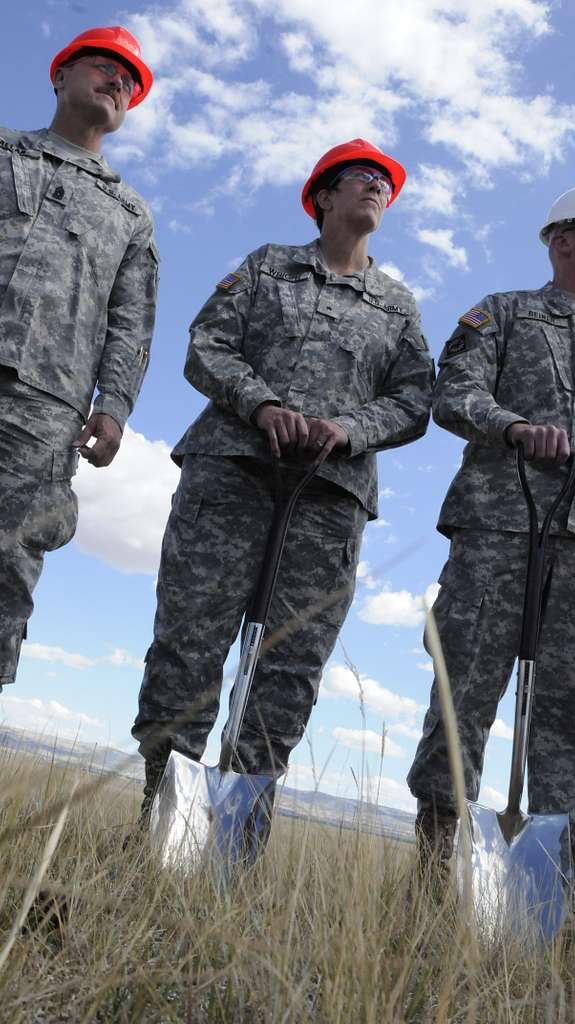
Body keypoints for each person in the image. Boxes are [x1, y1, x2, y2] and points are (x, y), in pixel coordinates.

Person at [131, 139, 434, 827]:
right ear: (322, 196)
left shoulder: (395, 306)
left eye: (385, 183)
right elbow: (207, 344)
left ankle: (236, 832)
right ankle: (162, 818)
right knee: (190, 640)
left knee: (290, 663)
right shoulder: (269, 266)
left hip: (328, 499)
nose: (377, 188)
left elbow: (417, 397)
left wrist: (349, 428)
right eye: (362, 178)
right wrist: (261, 404)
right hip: (232, 473)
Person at [407, 184, 575, 891]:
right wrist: (514, 428)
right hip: (498, 529)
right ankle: (436, 871)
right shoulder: (502, 314)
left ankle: (548, 888)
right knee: (461, 693)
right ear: (560, 241)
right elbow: (454, 392)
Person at [0, 26, 158, 692]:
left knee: (6, 564)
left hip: (45, 409)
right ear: (60, 76)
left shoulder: (130, 214)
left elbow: (131, 320)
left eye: (129, 79)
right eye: (103, 65)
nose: (117, 80)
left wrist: (115, 406)